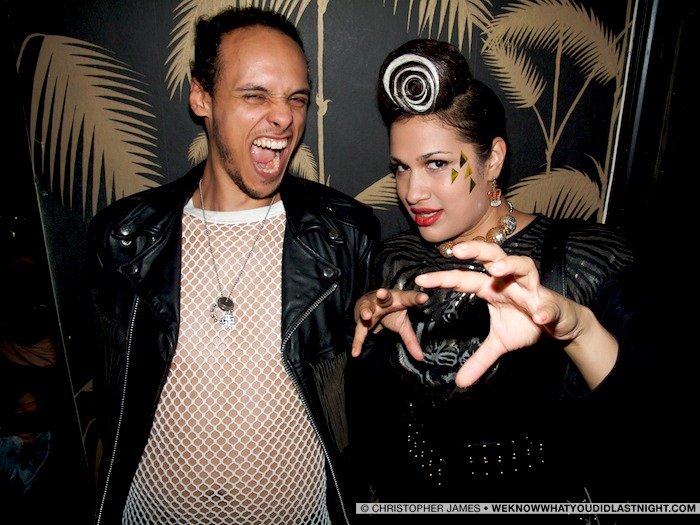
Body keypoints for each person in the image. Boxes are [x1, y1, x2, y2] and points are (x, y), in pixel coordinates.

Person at [87, 6, 379, 525]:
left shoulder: (344, 236)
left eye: (296, 98)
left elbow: (371, 405)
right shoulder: (125, 237)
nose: (284, 118)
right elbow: (110, 401)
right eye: (255, 95)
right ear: (201, 97)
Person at [349, 38, 644, 518]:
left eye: (437, 164)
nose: (412, 191)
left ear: (493, 160)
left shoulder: (583, 258)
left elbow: (646, 434)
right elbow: (376, 430)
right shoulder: (394, 260)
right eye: (400, 168)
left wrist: (578, 331)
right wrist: (369, 340)